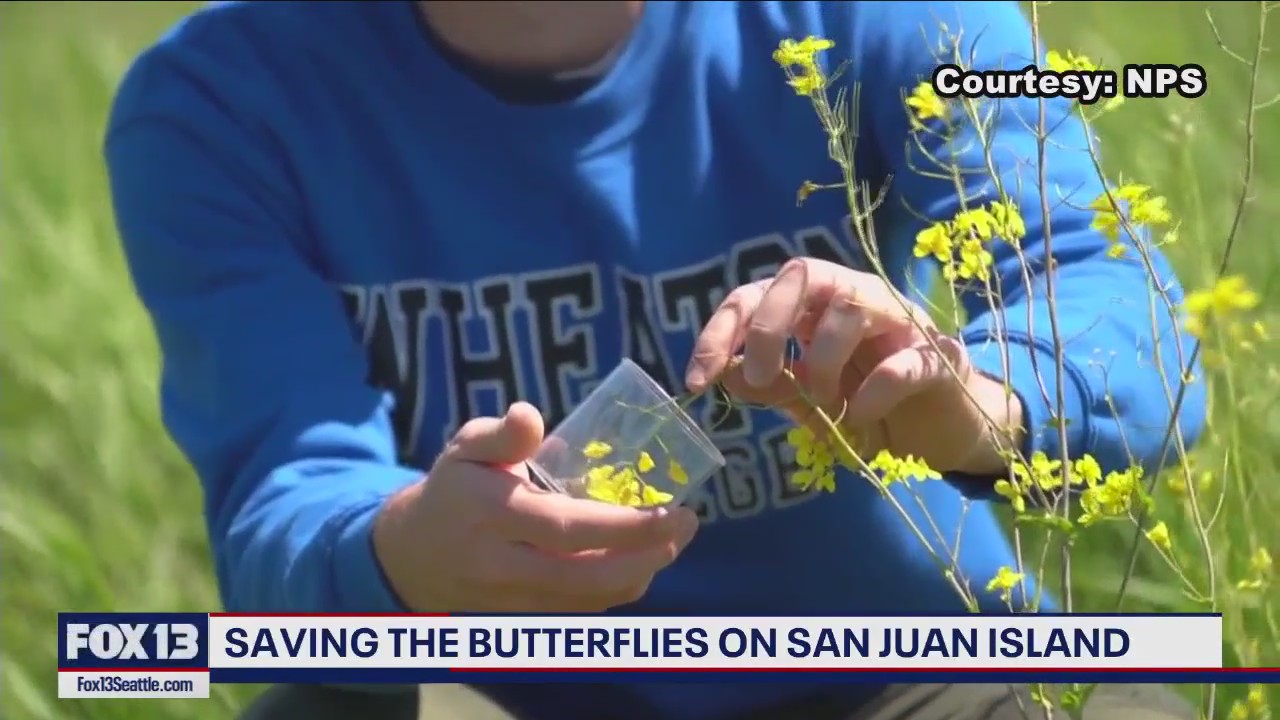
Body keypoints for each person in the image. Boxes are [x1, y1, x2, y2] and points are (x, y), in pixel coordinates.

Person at [105, 1, 1206, 719]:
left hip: (908, 668)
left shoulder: (904, 17)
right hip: (488, 691)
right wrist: (403, 552)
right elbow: (280, 513)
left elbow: (1116, 303)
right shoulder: (215, 104)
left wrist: (975, 394)